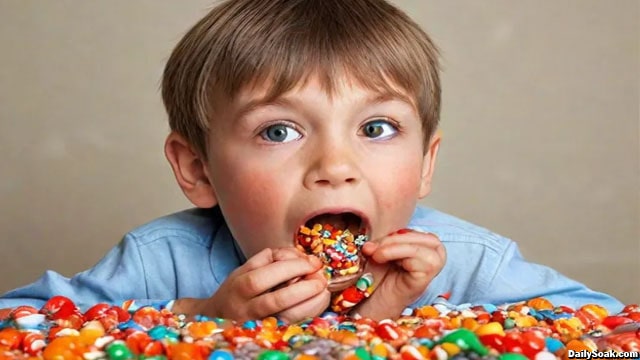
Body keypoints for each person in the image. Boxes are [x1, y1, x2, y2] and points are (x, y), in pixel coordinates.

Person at [0, 0, 623, 323]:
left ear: (426, 162)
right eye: (278, 130)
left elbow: (615, 344)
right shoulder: (162, 261)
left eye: (376, 128)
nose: (335, 165)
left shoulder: (466, 263)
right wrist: (202, 317)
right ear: (198, 170)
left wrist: (442, 325)